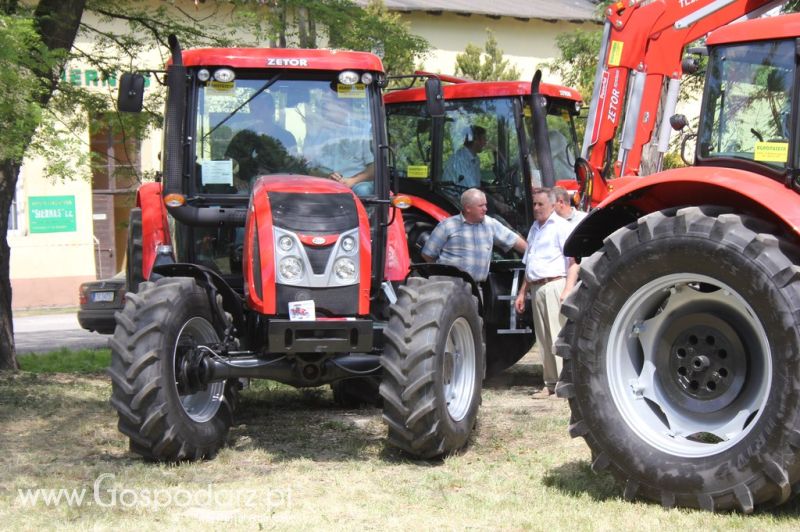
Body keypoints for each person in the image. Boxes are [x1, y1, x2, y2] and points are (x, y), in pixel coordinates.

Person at [514, 187, 579, 398]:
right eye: (534, 204)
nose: (536, 208)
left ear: (553, 205)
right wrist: (523, 292)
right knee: (542, 338)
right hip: (536, 286)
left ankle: (563, 384)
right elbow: (529, 262)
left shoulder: (561, 227)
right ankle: (549, 383)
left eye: (540, 204)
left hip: (554, 285)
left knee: (556, 334)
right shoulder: (535, 228)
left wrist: (568, 288)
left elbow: (573, 260)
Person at [421, 188, 527, 283]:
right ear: (468, 208)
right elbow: (427, 254)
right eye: (481, 206)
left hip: (476, 288)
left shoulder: (490, 224)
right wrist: (441, 274)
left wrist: (535, 253)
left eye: (485, 205)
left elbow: (515, 241)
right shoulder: (447, 226)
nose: (485, 209)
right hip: (449, 287)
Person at [304, 91, 375, 196]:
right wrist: (327, 176)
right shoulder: (317, 131)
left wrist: (352, 181)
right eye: (324, 104)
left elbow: (374, 168)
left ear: (344, 106)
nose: (325, 107)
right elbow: (306, 166)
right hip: (322, 182)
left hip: (354, 184)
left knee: (363, 191)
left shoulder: (363, 130)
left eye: (328, 103)